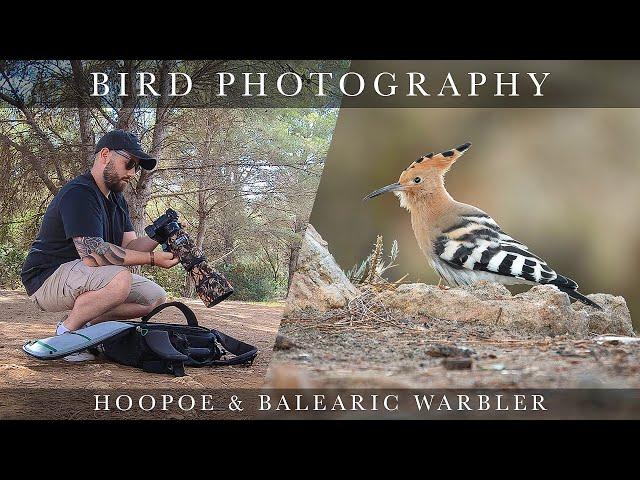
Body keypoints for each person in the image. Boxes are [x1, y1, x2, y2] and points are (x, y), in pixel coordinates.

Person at [20, 130, 180, 361]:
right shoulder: (80, 193)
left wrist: (160, 234)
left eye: (136, 167)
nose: (133, 173)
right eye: (129, 163)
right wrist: (154, 259)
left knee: (154, 297)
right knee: (120, 279)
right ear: (105, 154)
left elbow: (131, 246)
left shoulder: (117, 199)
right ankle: (68, 333)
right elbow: (93, 254)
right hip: (46, 279)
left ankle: (87, 324)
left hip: (83, 275)